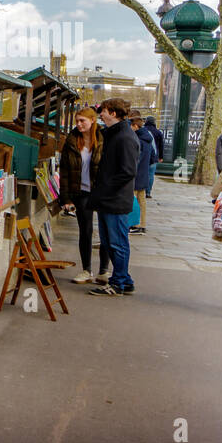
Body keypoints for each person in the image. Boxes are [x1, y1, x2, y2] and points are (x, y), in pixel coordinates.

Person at [88, 98, 139, 295]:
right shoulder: (118, 135)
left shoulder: (124, 138)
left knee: (117, 242)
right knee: (111, 241)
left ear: (114, 113)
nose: (100, 114)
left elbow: (127, 171)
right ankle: (124, 279)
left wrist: (106, 189)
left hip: (114, 199)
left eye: (104, 111)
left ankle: (118, 282)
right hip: (110, 198)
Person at [57, 107, 110, 284]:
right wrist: (65, 198)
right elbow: (64, 170)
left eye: (82, 121)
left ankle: (104, 271)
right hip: (81, 191)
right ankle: (86, 270)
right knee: (85, 231)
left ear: (93, 120)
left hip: (101, 191)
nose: (78, 124)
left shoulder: (105, 139)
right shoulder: (72, 141)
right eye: (77, 121)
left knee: (105, 232)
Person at [129, 114, 157, 234]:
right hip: (143, 172)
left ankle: (135, 224)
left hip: (136, 173)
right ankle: (142, 224)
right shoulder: (147, 139)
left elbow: (134, 158)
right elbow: (152, 157)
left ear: (135, 126)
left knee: (133, 199)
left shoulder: (137, 140)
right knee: (141, 200)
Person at [143, 116, 165, 197]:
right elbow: (161, 146)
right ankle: (148, 192)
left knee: (142, 173)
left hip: (144, 155)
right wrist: (161, 157)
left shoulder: (143, 130)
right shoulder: (158, 132)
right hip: (154, 156)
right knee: (151, 174)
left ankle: (140, 190)